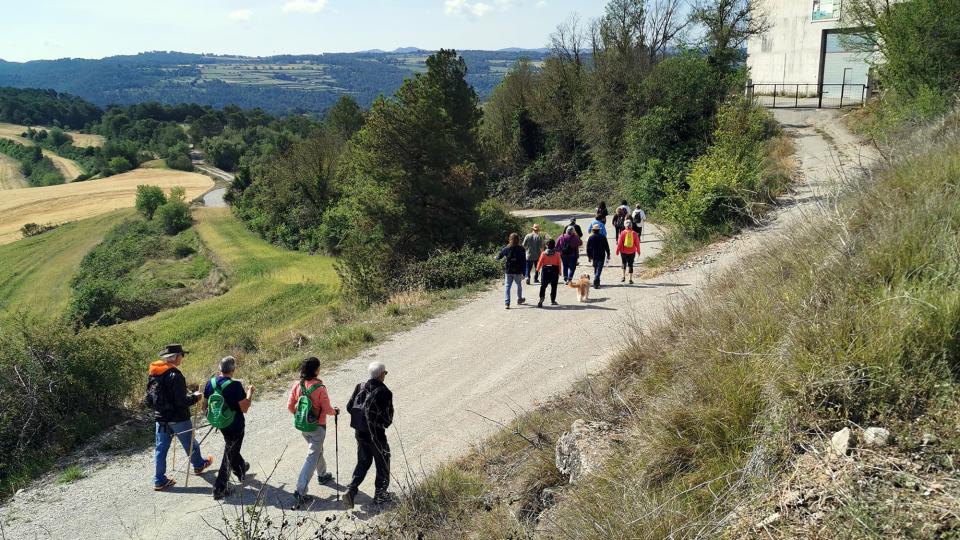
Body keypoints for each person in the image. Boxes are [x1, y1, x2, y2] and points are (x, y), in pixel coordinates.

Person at [145, 343, 214, 491]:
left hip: (161, 418)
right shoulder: (175, 375)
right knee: (190, 444)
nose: (182, 358)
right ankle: (198, 465)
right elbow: (181, 401)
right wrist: (195, 398)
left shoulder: (154, 373)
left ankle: (159, 480)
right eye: (182, 355)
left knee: (160, 449)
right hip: (178, 418)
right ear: (176, 357)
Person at [287, 357, 339, 509]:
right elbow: (328, 409)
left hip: (303, 426)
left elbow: (290, 407)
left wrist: (301, 416)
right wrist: (335, 412)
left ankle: (322, 475)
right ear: (316, 370)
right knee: (312, 456)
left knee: (317, 451)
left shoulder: (297, 385)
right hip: (318, 427)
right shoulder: (320, 388)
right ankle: (300, 491)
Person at [344, 361, 395, 509]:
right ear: (381, 375)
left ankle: (351, 489)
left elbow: (349, 407)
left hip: (360, 433)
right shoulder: (384, 392)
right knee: (383, 463)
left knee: (363, 462)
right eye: (384, 373)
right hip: (376, 435)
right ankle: (380, 495)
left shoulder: (360, 386)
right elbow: (388, 419)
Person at [203, 356, 253, 500]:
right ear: (233, 370)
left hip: (221, 424)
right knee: (229, 453)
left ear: (220, 368)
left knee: (231, 448)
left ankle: (241, 469)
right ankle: (219, 488)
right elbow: (245, 408)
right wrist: (250, 392)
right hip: (235, 424)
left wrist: (216, 418)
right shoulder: (235, 385)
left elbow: (204, 407)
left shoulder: (210, 383)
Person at [497, 233, 527, 309]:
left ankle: (507, 303)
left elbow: (499, 256)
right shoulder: (521, 249)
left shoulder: (506, 248)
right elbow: (524, 261)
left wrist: (496, 258)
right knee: (519, 286)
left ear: (510, 239)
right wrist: (524, 273)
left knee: (507, 286)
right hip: (518, 271)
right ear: (518, 240)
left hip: (509, 270)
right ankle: (519, 299)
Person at [536, 238, 562, 307]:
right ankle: (553, 300)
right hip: (554, 270)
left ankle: (541, 298)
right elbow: (559, 264)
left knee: (543, 286)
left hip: (545, 270)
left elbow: (540, 262)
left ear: (547, 245)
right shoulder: (557, 254)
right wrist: (560, 272)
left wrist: (537, 270)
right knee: (554, 286)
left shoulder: (543, 253)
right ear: (554, 246)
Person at [616, 220, 642, 284]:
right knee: (631, 264)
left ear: (625, 226)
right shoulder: (634, 233)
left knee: (624, 263)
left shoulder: (622, 233)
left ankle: (623, 276)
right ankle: (630, 279)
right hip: (632, 251)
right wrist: (638, 251)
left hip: (623, 251)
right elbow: (637, 244)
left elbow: (619, 243)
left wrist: (617, 251)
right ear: (631, 225)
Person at [586, 223, 610, 288]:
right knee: (599, 269)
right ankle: (596, 280)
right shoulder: (603, 237)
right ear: (599, 230)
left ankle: (597, 281)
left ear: (593, 230)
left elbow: (588, 248)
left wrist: (589, 256)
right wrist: (608, 254)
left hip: (594, 256)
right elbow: (606, 246)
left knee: (596, 268)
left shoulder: (590, 238)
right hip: (601, 255)